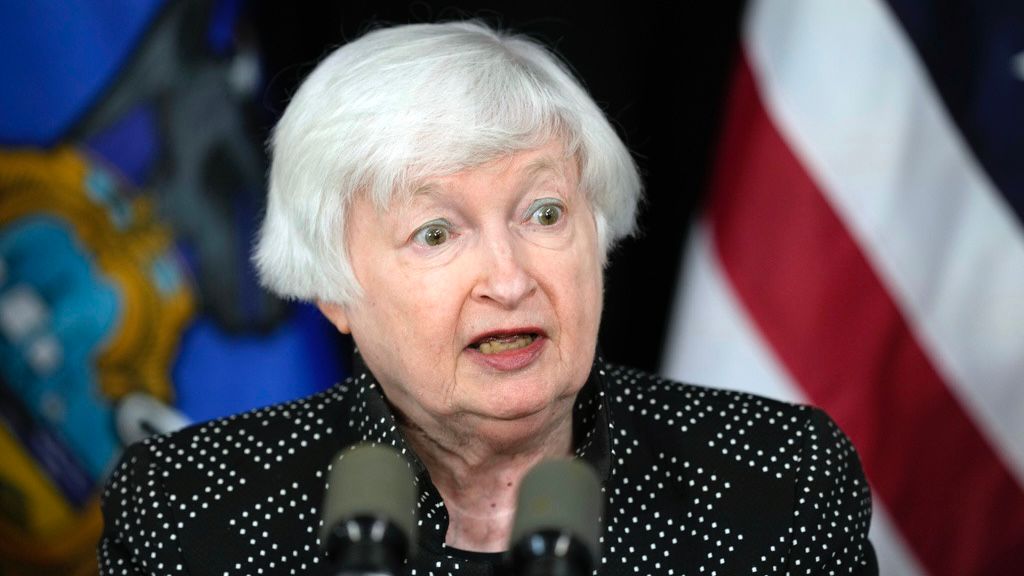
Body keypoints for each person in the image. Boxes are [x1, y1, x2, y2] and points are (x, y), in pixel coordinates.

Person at [98, 20, 877, 575]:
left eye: (545, 215)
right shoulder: (188, 510)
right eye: (436, 233)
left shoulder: (776, 477)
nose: (509, 280)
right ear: (333, 288)